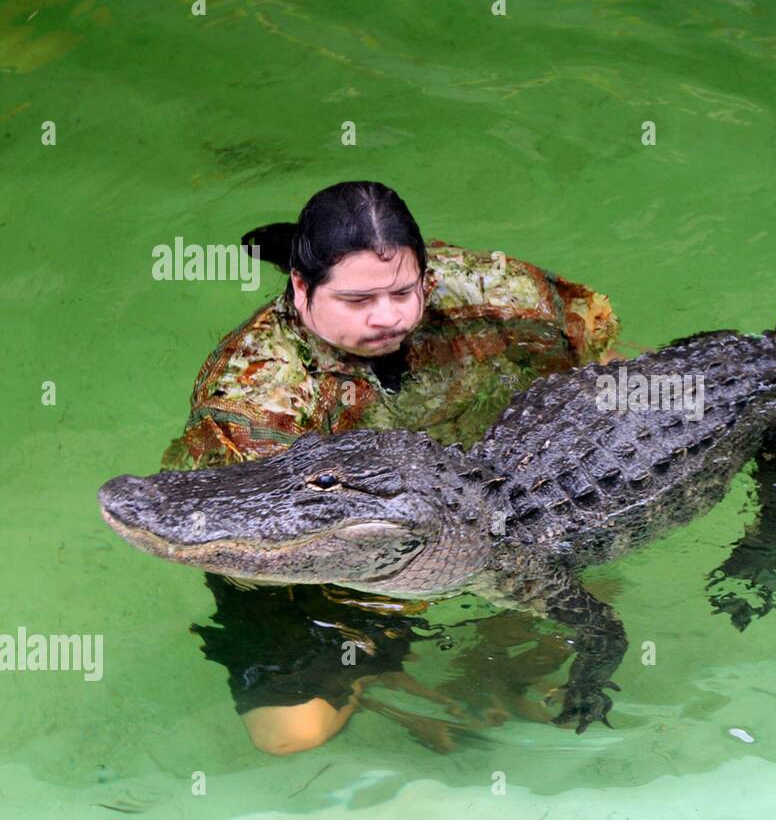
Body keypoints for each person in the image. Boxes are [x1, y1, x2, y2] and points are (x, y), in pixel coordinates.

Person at [166, 180, 621, 754]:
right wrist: (381, 640)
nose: (386, 319)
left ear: (426, 277)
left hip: (472, 503)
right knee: (290, 735)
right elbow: (266, 535)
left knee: (589, 585)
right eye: (356, 301)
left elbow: (604, 366)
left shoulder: (496, 293)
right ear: (300, 289)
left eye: (403, 293)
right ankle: (377, 671)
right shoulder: (254, 403)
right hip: (313, 540)